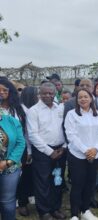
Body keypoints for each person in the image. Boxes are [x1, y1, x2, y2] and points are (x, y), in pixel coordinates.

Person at [27, 82, 67, 220]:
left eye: (51, 93)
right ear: (40, 94)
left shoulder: (59, 108)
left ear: (55, 93)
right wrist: (49, 151)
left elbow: (66, 128)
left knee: (57, 180)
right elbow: (32, 135)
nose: (48, 95)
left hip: (61, 149)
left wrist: (64, 146)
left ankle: (55, 208)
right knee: (42, 182)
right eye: (44, 93)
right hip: (43, 152)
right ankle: (44, 211)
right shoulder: (34, 111)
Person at [65, 89, 98, 220]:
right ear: (76, 100)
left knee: (90, 183)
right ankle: (74, 214)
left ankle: (85, 210)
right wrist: (86, 150)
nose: (83, 99)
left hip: (95, 154)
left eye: (85, 97)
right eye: (80, 97)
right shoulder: (72, 114)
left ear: (91, 98)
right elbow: (71, 135)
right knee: (78, 184)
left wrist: (95, 149)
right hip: (77, 155)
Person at [17, 86, 39, 217]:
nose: (39, 97)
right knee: (24, 176)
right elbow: (26, 134)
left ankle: (30, 196)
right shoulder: (23, 111)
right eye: (37, 95)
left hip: (35, 147)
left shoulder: (33, 109)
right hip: (26, 148)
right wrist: (29, 151)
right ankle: (22, 202)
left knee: (31, 175)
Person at [0, 112, 25, 220]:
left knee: (7, 201)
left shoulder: (11, 121)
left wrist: (8, 162)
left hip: (9, 168)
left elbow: (20, 143)